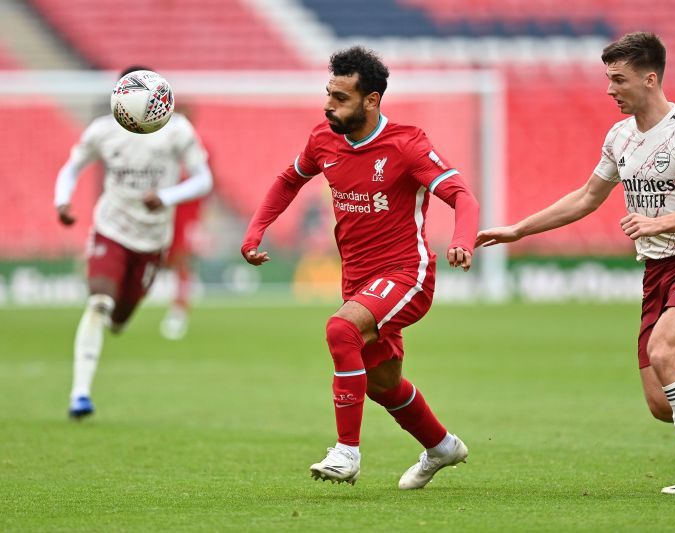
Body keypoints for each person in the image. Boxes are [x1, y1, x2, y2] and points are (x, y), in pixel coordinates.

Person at [476, 32, 675, 494]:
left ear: (650, 79)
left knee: (665, 354)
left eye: (618, 79)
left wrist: (660, 223)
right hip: (657, 271)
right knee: (663, 402)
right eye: (608, 79)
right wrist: (517, 229)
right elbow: (588, 197)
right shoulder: (621, 136)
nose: (610, 89)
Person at [241, 46, 479, 489]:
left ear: (371, 100)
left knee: (340, 330)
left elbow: (462, 195)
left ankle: (346, 452)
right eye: (328, 94)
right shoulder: (322, 139)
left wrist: (463, 241)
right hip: (357, 279)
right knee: (383, 384)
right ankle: (442, 446)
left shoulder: (406, 144)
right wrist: (256, 230)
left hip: (407, 273)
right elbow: (289, 179)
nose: (329, 104)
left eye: (341, 97)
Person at [55, 66, 213, 419]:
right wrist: (62, 200)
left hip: (153, 240)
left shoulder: (177, 131)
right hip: (110, 230)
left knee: (119, 320)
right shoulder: (102, 131)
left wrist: (168, 196)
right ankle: (79, 394)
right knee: (98, 302)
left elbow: (204, 180)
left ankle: (115, 321)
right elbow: (71, 167)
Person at [159, 197, 202, 340]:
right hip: (166, 225)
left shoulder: (190, 182)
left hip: (180, 226)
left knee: (181, 265)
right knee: (174, 265)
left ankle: (179, 310)